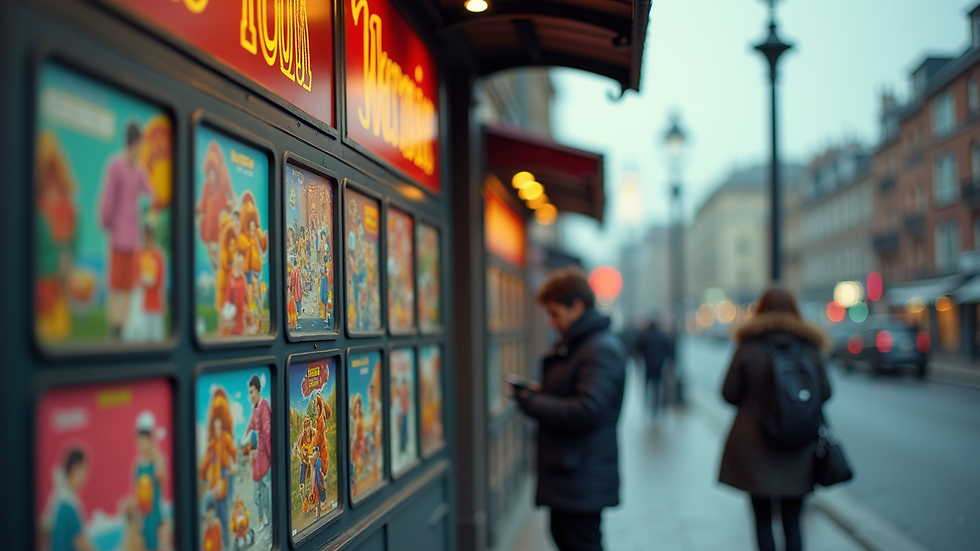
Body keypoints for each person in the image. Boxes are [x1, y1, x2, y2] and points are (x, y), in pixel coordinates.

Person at [512, 267, 626, 551]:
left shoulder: (599, 349)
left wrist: (530, 401)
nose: (551, 322)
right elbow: (574, 395)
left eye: (555, 314)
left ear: (576, 306)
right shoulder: (582, 345)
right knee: (565, 538)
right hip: (570, 471)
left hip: (580, 472)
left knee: (580, 542)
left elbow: (587, 410)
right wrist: (538, 393)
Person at [718, 285, 832, 551]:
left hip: (755, 444)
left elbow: (728, 394)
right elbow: (826, 392)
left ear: (759, 309)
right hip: (799, 443)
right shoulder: (810, 345)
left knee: (762, 519)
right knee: (793, 521)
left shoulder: (748, 345)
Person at [100, 121, 155, 340]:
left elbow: (151, 193)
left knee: (128, 287)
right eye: (140, 146)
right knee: (115, 286)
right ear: (132, 144)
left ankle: (120, 330)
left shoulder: (139, 171)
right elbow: (107, 200)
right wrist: (107, 223)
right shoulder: (116, 166)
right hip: (117, 237)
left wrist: (152, 207)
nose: (141, 151)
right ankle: (114, 329)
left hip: (132, 238)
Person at [243, 375, 272, 532]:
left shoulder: (264, 406)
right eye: (249, 392)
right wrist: (245, 445)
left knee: (266, 493)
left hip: (265, 459)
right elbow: (249, 429)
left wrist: (270, 456)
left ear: (258, 390)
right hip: (257, 458)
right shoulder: (254, 410)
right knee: (257, 493)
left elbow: (267, 432)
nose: (250, 395)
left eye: (252, 391)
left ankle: (269, 522)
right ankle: (262, 519)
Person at [635, 318, 674, 416]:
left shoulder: (644, 335)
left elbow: (637, 348)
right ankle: (655, 408)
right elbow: (669, 350)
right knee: (657, 387)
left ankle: (646, 405)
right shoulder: (663, 336)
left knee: (647, 386)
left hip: (648, 365)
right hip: (659, 365)